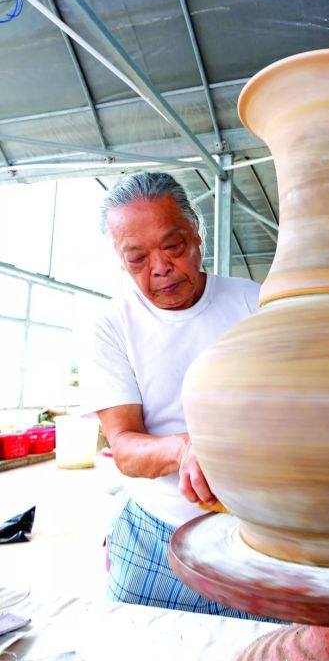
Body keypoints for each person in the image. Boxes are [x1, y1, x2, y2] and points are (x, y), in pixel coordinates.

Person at [85, 171, 269, 618]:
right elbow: (124, 446)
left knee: (266, 652)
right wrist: (186, 449)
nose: (160, 268)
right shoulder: (112, 326)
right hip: (155, 533)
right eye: (137, 258)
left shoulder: (254, 304)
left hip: (257, 534)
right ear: (120, 260)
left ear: (197, 234)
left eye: (173, 246)